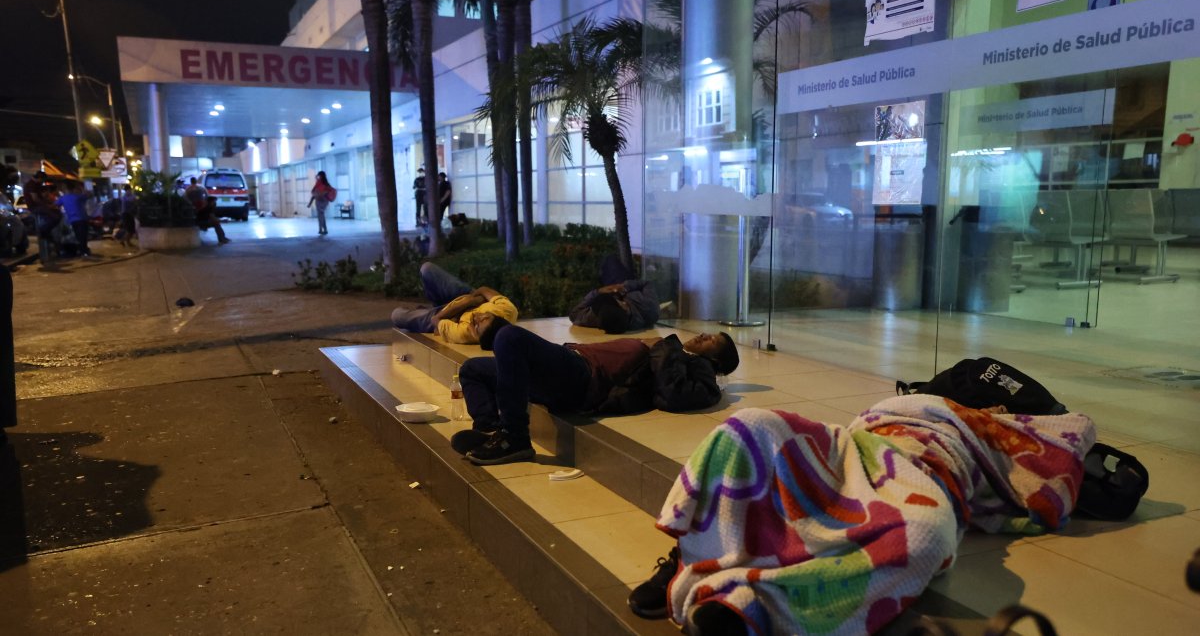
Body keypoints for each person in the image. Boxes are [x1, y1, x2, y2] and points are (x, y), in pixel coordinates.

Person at [625, 395, 1096, 635]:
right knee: (751, 424)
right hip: (856, 446)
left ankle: (757, 606)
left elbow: (1070, 437)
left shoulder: (997, 431)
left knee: (928, 533)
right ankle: (690, 557)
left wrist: (989, 424)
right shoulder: (923, 396)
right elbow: (861, 424)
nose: (991, 405)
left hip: (919, 473)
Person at [455, 321, 739, 465]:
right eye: (709, 333)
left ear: (716, 361)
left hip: (583, 378)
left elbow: (676, 394)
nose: (704, 335)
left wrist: (666, 346)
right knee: (472, 370)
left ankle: (515, 437)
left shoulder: (691, 366)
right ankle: (491, 430)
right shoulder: (675, 353)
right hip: (574, 361)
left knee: (509, 336)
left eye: (714, 341)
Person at [390, 262, 518, 344]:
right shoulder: (507, 310)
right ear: (496, 316)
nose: (476, 317)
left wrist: (469, 303)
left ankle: (425, 311)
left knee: (397, 316)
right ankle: (430, 306)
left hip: (447, 313)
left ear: (476, 335)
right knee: (427, 268)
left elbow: (436, 319)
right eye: (485, 316)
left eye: (476, 325)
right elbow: (484, 289)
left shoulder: (463, 334)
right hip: (466, 297)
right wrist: (471, 299)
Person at [23, 173, 61, 268]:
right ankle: (44, 230)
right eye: (42, 180)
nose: (43, 182)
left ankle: (46, 232)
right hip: (35, 207)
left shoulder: (37, 185)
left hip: (40, 206)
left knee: (58, 214)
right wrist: (47, 205)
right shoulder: (31, 185)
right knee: (55, 216)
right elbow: (35, 199)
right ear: (39, 178)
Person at [184, 177, 230, 245]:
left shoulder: (188, 189)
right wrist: (221, 220)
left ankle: (222, 238)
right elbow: (206, 195)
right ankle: (222, 238)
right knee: (216, 223)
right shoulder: (201, 188)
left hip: (195, 214)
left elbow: (185, 198)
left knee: (216, 223)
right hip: (200, 221)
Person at [55, 182, 92, 257]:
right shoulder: (78, 196)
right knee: (83, 236)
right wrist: (81, 188)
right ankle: (83, 251)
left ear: (65, 188)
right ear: (73, 188)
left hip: (73, 220)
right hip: (82, 219)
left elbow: (54, 205)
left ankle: (83, 251)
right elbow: (89, 195)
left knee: (79, 236)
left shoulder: (63, 198)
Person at [306, 170, 336, 235]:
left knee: (320, 215)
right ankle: (323, 229)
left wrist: (322, 193)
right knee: (321, 215)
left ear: (321, 176)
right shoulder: (325, 184)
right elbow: (314, 192)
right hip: (323, 201)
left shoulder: (321, 184)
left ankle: (322, 229)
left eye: (319, 176)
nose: (318, 177)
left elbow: (314, 192)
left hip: (320, 201)